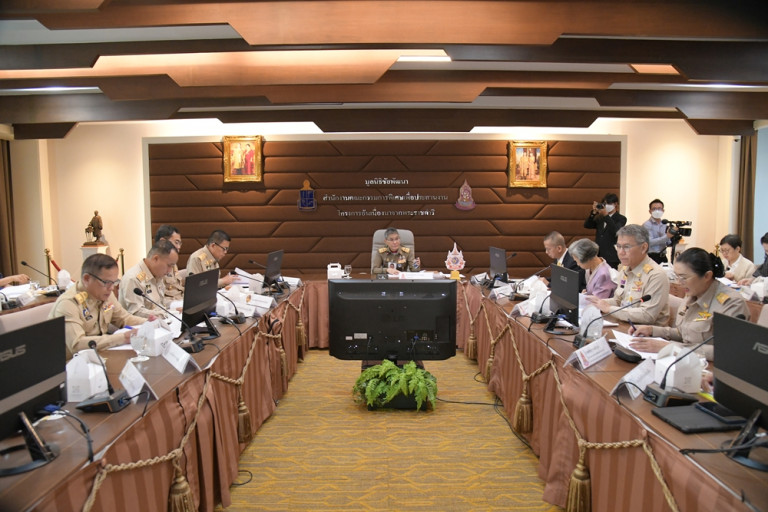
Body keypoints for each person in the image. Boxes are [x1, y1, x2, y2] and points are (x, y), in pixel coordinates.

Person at [628, 248, 749, 361]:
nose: (679, 282)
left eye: (684, 278)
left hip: (709, 369)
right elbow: (684, 333)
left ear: (707, 276)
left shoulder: (731, 304)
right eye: (677, 276)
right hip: (684, 361)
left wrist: (670, 347)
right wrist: (652, 330)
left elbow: (726, 351)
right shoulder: (692, 293)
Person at [49, 253, 149, 358]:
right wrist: (123, 338)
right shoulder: (68, 303)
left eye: (114, 282)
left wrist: (150, 323)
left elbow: (124, 318)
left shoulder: (105, 294)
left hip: (99, 355)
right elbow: (77, 344)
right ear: (86, 279)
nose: (111, 288)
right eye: (106, 282)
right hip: (72, 362)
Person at [587, 224, 669, 325]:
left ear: (643, 248)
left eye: (626, 247)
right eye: (618, 246)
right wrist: (598, 302)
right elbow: (618, 301)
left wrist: (609, 308)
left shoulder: (656, 275)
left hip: (644, 331)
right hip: (624, 324)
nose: (621, 252)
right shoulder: (625, 269)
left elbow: (647, 315)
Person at [119, 239, 179, 318]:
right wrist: (165, 314)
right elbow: (136, 312)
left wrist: (175, 307)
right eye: (169, 265)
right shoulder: (133, 278)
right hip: (141, 324)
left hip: (159, 321)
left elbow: (160, 303)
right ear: (155, 259)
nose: (170, 270)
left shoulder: (157, 274)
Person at [583, 192, 627, 269]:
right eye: (605, 204)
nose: (606, 206)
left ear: (615, 204)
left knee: (610, 275)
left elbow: (616, 231)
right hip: (598, 254)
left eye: (609, 203)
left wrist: (606, 216)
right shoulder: (600, 218)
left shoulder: (621, 218)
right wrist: (593, 213)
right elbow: (587, 225)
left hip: (611, 256)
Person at [154, 224, 185, 301]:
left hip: (180, 301)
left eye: (180, 243)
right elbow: (159, 299)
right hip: (169, 305)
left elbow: (178, 289)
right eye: (176, 242)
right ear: (163, 241)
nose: (179, 247)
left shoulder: (172, 262)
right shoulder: (156, 264)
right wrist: (176, 305)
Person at [643, 198, 672, 264]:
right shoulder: (647, 224)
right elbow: (650, 242)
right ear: (650, 211)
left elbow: (667, 242)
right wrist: (667, 236)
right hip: (651, 256)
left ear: (663, 210)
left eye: (659, 209)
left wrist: (672, 238)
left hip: (663, 256)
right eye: (654, 209)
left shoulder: (664, 224)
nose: (657, 211)